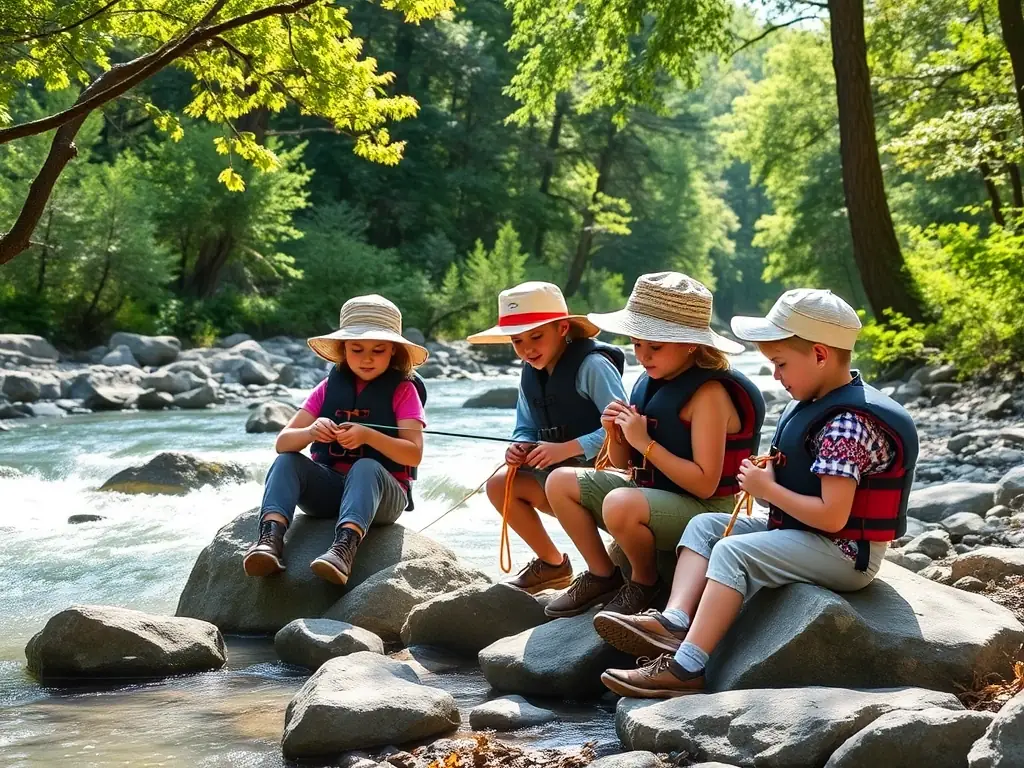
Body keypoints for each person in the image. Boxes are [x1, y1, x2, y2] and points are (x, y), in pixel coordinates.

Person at [597, 288, 919, 697]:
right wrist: (768, 487)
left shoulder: (846, 424)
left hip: (845, 553)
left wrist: (767, 489)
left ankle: (686, 669)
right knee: (704, 526)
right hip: (811, 535)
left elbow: (833, 518)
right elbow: (799, 504)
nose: (775, 375)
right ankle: (675, 621)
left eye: (780, 363)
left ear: (820, 354)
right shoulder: (816, 402)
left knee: (732, 552)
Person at [543, 272, 765, 618]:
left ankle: (645, 582)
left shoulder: (710, 395)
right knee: (558, 482)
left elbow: (705, 484)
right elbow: (623, 464)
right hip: (655, 497)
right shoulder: (650, 381)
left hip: (707, 511)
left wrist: (644, 442)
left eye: (655, 347)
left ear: (691, 344)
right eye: (637, 344)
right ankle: (603, 574)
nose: (643, 356)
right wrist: (617, 435)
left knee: (619, 503)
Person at [242, 294, 428, 586]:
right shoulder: (328, 388)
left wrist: (368, 435)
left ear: (393, 351)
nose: (367, 358)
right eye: (357, 349)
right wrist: (311, 432)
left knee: (365, 466)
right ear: (343, 350)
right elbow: (283, 443)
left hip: (382, 497)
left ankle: (343, 550)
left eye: (378, 350)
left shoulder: (404, 391)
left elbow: (413, 455)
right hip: (329, 492)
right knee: (287, 461)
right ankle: (270, 540)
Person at [467, 281, 627, 595]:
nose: (527, 349)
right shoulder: (529, 373)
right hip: (562, 483)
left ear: (563, 328)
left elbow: (622, 425)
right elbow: (524, 426)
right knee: (500, 483)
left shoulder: (592, 366)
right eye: (517, 341)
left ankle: (602, 575)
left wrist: (568, 448)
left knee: (558, 480)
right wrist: (519, 446)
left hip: (611, 479)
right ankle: (553, 565)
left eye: (536, 336)